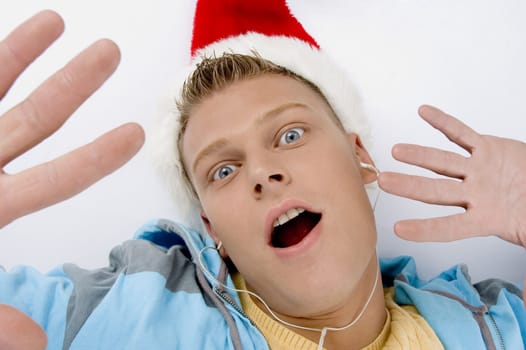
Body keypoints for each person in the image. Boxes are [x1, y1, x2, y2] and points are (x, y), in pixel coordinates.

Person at [0, 3, 524, 350]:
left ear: (360, 156)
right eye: (223, 169)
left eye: (290, 135)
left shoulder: (501, 326)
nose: (263, 173)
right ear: (213, 231)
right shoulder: (125, 315)